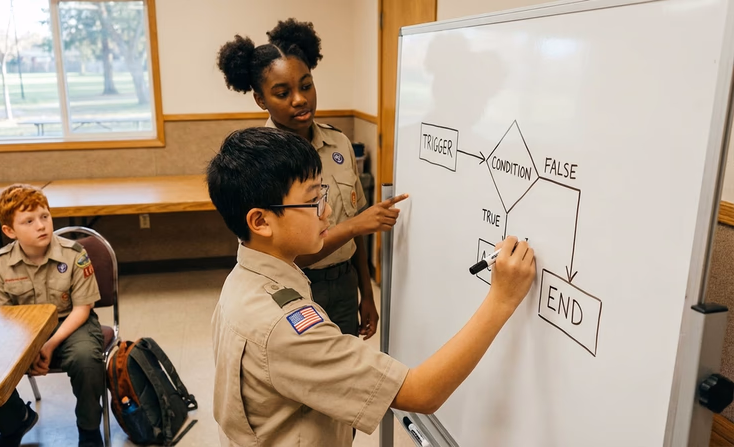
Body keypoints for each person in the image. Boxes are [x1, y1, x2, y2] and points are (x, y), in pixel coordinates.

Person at [207, 127, 536, 445]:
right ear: (261, 222)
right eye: (313, 201)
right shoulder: (285, 327)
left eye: (323, 193)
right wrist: (501, 299)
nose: (328, 211)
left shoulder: (242, 281)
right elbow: (420, 392)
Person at [217, 18, 407, 339]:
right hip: (293, 293)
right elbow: (285, 254)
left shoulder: (340, 144)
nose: (299, 99)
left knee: (344, 379)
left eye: (306, 85)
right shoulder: (257, 162)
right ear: (261, 100)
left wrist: (366, 294)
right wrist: (357, 225)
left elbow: (354, 227)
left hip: (344, 284)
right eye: (282, 92)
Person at [0, 184, 105, 447]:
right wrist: (27, 350)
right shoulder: (1, 262)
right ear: (9, 231)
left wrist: (48, 345)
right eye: (28, 221)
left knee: (86, 359)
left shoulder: (74, 254)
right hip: (22, 330)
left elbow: (82, 309)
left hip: (71, 324)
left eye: (44, 216)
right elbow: (0, 318)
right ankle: (16, 420)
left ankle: (88, 428)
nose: (41, 225)